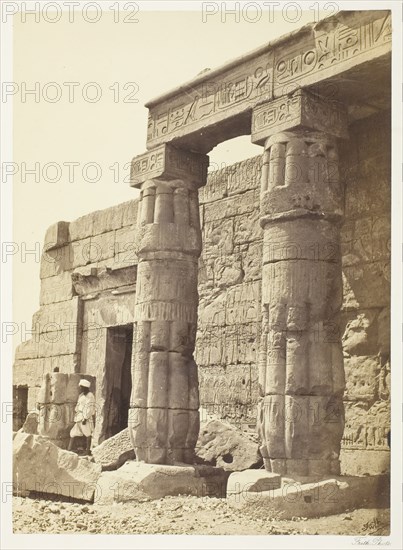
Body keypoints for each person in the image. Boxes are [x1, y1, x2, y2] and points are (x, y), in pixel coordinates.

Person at [68, 379, 95, 455]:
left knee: (87, 434)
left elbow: (90, 407)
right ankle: (69, 449)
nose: (80, 388)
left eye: (81, 387)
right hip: (79, 417)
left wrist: (85, 418)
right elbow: (78, 406)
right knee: (73, 433)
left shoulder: (90, 396)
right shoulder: (81, 395)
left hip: (84, 418)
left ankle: (87, 451)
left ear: (85, 387)